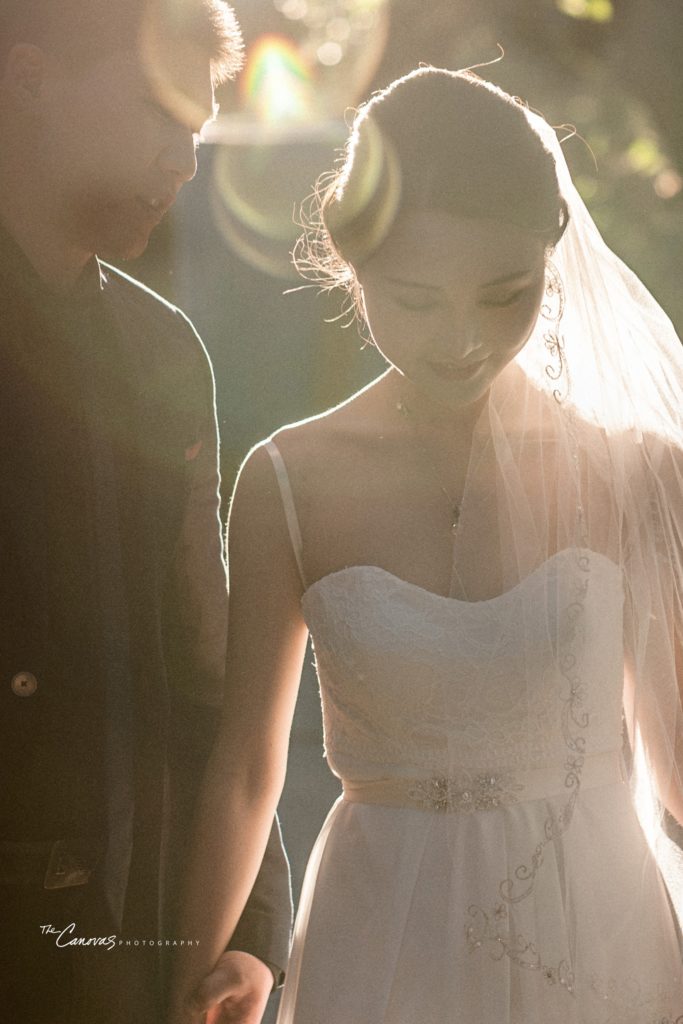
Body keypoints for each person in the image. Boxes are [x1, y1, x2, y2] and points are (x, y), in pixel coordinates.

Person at [169, 65, 683, 1023]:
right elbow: (247, 764)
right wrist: (183, 978)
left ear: (551, 256)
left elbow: (675, 754)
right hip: (381, 918)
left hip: (592, 928)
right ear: (351, 266)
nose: (461, 339)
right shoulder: (289, 480)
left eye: (504, 294)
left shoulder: (632, 471)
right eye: (415, 299)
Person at [0, 2, 292, 1023]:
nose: (184, 160)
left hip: (117, 954)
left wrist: (252, 931)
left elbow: (197, 656)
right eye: (159, 115)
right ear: (27, 77)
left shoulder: (161, 354)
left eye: (200, 132)